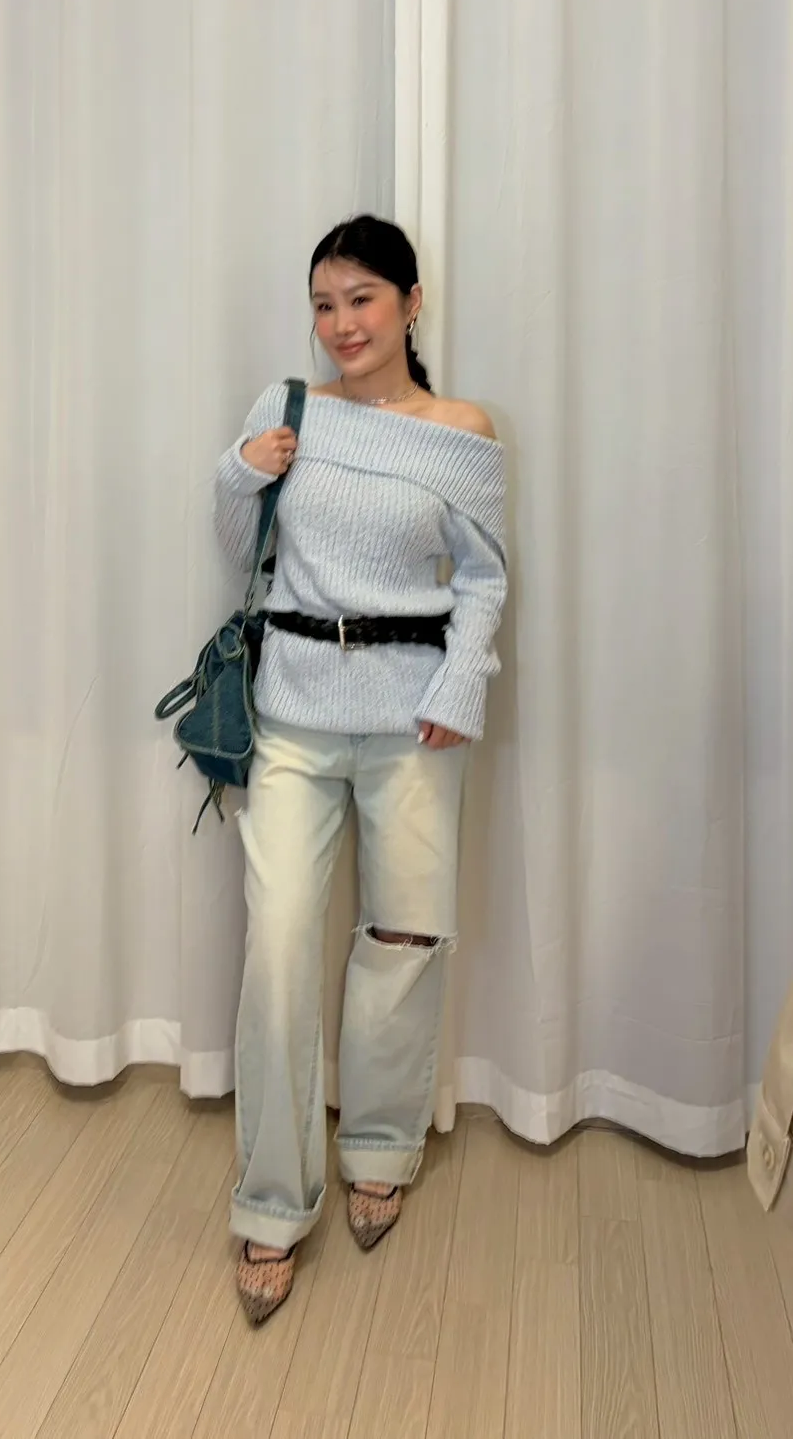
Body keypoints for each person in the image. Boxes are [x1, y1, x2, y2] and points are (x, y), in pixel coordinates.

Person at [212, 215, 508, 1324]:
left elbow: (482, 578)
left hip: (413, 715)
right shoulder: (287, 409)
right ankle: (269, 1200)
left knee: (404, 935)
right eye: (324, 304)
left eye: (363, 299)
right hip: (293, 709)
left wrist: (461, 681)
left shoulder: (460, 429)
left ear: (411, 303)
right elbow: (239, 549)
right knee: (280, 944)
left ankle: (379, 1144)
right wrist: (238, 474)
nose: (341, 324)